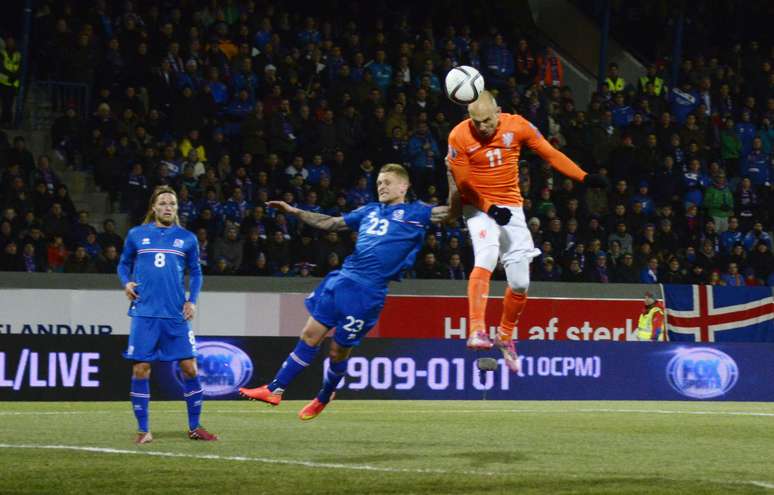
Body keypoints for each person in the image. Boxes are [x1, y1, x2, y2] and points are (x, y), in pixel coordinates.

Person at [239, 163, 455, 420]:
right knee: (309, 334)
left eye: (387, 182)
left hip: (368, 292)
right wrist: (293, 211)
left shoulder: (417, 212)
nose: (381, 187)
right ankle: (275, 389)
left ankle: (324, 396)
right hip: (341, 280)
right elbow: (331, 223)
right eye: (378, 183)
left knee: (337, 351)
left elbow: (452, 211)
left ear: (403, 186)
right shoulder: (369, 210)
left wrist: (452, 174)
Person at [446, 90, 606, 371]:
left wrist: (583, 177)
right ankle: (476, 329)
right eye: (476, 122)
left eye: (486, 120)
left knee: (520, 282)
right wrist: (490, 208)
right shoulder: (458, 136)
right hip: (478, 205)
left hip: (511, 206)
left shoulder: (517, 126)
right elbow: (464, 186)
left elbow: (550, 154)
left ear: (498, 112)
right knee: (487, 254)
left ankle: (505, 336)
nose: (481, 127)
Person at [117, 186, 217, 444]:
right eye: (162, 203)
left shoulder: (187, 238)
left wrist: (192, 301)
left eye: (172, 203)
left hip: (175, 315)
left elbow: (196, 273)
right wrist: (126, 282)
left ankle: (195, 427)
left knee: (190, 368)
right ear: (153, 207)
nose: (168, 207)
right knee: (141, 369)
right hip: (145, 314)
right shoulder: (137, 235)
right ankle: (143, 430)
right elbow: (123, 263)